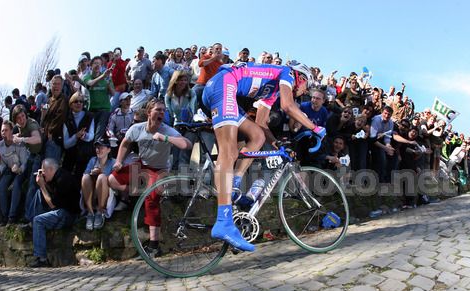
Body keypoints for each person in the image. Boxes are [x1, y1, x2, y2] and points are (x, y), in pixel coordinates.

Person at [202, 60, 325, 252]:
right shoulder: (287, 73)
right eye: (306, 86)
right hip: (224, 84)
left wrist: (276, 143)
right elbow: (288, 106)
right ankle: (223, 221)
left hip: (224, 88)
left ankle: (234, 182)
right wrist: (315, 127)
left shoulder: (272, 91)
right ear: (301, 77)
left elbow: (261, 122)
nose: (304, 91)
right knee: (228, 152)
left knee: (257, 136)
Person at [109, 99, 192, 256]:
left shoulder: (166, 130)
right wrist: (119, 161)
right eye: (158, 110)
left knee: (152, 198)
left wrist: (165, 138)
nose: (161, 113)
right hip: (142, 166)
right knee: (112, 179)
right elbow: (126, 143)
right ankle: (139, 191)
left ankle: (154, 246)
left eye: (163, 110)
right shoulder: (137, 128)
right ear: (149, 113)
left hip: (160, 170)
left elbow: (186, 144)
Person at [27, 158, 80, 268]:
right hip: (60, 210)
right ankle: (30, 219)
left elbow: (53, 204)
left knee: (38, 220)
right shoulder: (57, 176)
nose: (43, 175)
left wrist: (42, 186)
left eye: (43, 172)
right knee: (38, 193)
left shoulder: (63, 179)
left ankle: (42, 258)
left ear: (50, 169)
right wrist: (43, 185)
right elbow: (51, 197)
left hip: (68, 215)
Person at [11, 105, 43, 222]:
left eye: (23, 116)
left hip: (38, 156)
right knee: (17, 181)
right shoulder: (18, 127)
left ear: (26, 115)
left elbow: (37, 139)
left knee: (32, 184)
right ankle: (12, 216)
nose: (22, 120)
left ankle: (28, 216)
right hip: (28, 157)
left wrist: (21, 139)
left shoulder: (31, 123)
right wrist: (15, 136)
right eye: (18, 118)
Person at [0, 120, 29, 225]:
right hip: (9, 169)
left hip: (21, 168)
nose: (3, 133)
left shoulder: (19, 143)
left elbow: (25, 162)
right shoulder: (0, 145)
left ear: (11, 131)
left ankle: (12, 217)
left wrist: (19, 169)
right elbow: (3, 162)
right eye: (2, 131)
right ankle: (4, 216)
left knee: (16, 185)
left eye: (6, 130)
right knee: (0, 187)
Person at [81, 138, 116, 230]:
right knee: (85, 177)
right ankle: (90, 212)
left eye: (101, 147)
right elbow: (86, 174)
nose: (98, 149)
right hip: (93, 193)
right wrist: (91, 174)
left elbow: (114, 181)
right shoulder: (93, 160)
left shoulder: (113, 162)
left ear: (108, 149)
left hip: (106, 194)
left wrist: (101, 172)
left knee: (102, 177)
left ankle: (100, 212)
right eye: (97, 147)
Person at [62, 92, 95, 183]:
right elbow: (66, 144)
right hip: (70, 155)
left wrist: (84, 136)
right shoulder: (66, 119)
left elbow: (91, 136)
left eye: (81, 101)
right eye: (76, 101)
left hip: (85, 154)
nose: (79, 103)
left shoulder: (89, 116)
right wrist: (76, 136)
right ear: (71, 104)